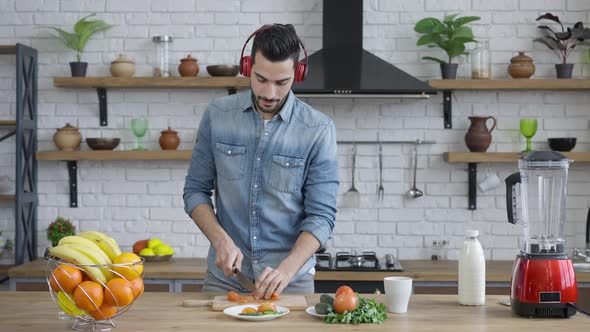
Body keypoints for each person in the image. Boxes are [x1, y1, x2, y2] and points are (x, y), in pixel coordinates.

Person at [183, 23, 338, 299]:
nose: (270, 93)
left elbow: (321, 217)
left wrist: (287, 270)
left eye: (282, 82)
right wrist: (220, 240)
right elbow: (195, 191)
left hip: (290, 283)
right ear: (247, 68)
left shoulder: (318, 130)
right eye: (261, 79)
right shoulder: (217, 115)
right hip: (226, 280)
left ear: (298, 74)